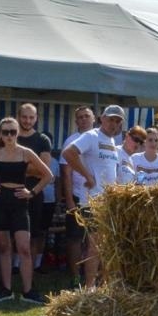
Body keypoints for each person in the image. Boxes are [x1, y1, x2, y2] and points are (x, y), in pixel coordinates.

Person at [0, 116, 54, 303]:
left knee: (23, 247)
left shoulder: (26, 152)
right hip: (0, 201)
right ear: (0, 134)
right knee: (4, 247)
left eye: (12, 132)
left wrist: (32, 192)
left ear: (17, 133)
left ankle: (28, 290)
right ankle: (6, 289)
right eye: (5, 132)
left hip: (20, 201)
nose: (9, 136)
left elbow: (48, 175)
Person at [63, 105, 126, 287]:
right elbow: (68, 153)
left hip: (107, 201)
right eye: (111, 119)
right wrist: (87, 175)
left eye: (117, 121)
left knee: (103, 246)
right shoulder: (91, 136)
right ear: (102, 119)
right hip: (92, 201)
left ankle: (100, 285)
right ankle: (90, 287)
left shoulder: (114, 142)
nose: (114, 123)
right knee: (95, 245)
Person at [16, 103, 56, 271]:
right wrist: (32, 167)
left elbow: (44, 170)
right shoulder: (11, 136)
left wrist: (18, 166)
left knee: (32, 236)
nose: (27, 120)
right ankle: (12, 270)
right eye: (24, 117)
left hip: (34, 193)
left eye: (31, 117)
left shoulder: (42, 140)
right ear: (18, 117)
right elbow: (0, 164)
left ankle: (29, 273)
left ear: (36, 118)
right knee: (11, 236)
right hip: (11, 193)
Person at [60, 106, 98, 280]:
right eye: (80, 117)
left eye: (86, 116)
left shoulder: (101, 139)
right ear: (76, 121)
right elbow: (66, 173)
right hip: (77, 195)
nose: (83, 119)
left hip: (98, 198)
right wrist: (69, 200)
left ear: (94, 119)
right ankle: (75, 276)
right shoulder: (71, 140)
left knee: (95, 239)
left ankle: (92, 275)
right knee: (75, 239)